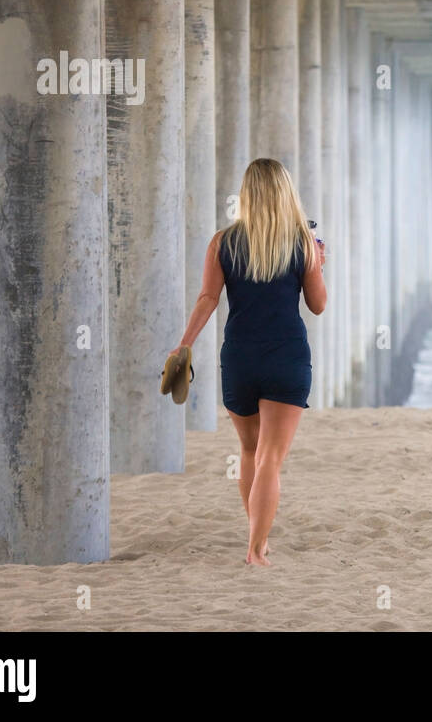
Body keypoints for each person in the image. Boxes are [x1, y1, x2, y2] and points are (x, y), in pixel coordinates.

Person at [171, 158, 326, 566]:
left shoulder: (223, 242)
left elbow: (208, 299)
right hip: (287, 357)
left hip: (240, 357)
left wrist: (182, 346)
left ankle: (257, 535)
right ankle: (256, 548)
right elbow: (318, 305)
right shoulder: (302, 244)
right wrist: (318, 265)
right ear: (285, 193)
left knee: (249, 451)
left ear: (246, 195)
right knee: (270, 457)